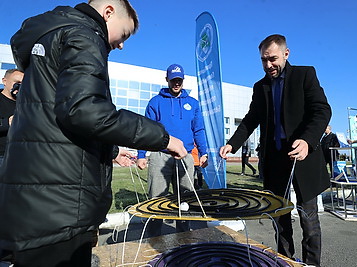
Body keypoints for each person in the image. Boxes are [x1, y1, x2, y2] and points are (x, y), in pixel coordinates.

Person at [0, 1, 187, 266]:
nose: (121, 45)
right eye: (123, 34)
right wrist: (163, 138)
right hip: (60, 205)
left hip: (36, 199)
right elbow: (85, 110)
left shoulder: (52, 39)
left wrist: (111, 150)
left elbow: (58, 121)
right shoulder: (83, 34)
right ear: (108, 12)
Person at [220, 34, 331, 266]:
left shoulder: (305, 75)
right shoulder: (260, 87)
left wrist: (307, 141)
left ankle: (311, 264)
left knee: (308, 219)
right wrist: (233, 143)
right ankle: (284, 261)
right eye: (263, 60)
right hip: (275, 160)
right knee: (279, 217)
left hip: (303, 156)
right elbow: (251, 119)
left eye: (272, 59)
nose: (268, 65)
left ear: (286, 54)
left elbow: (321, 110)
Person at [137, 63, 208, 237]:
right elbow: (146, 130)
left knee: (185, 200)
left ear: (183, 80)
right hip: (160, 156)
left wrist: (204, 152)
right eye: (173, 80)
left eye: (179, 80)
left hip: (185, 157)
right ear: (167, 79)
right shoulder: (156, 102)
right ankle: (154, 239)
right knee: (156, 200)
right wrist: (141, 155)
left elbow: (198, 130)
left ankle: (183, 238)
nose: (177, 83)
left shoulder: (193, 103)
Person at [0, 69, 24, 165]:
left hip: (20, 156)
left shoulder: (25, 104)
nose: (19, 86)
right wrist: (7, 122)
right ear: (4, 81)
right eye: (17, 82)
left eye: (23, 83)